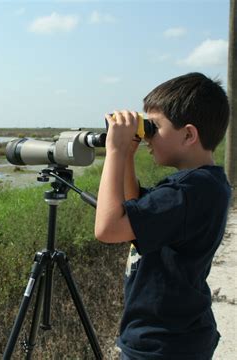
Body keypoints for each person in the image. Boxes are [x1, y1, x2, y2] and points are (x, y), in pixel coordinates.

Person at [94, 72, 231, 359]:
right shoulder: (204, 184)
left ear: (189, 134)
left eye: (154, 127)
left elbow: (108, 228)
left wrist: (115, 152)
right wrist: (128, 157)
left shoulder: (187, 190)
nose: (147, 137)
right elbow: (134, 214)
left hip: (161, 343)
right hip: (179, 335)